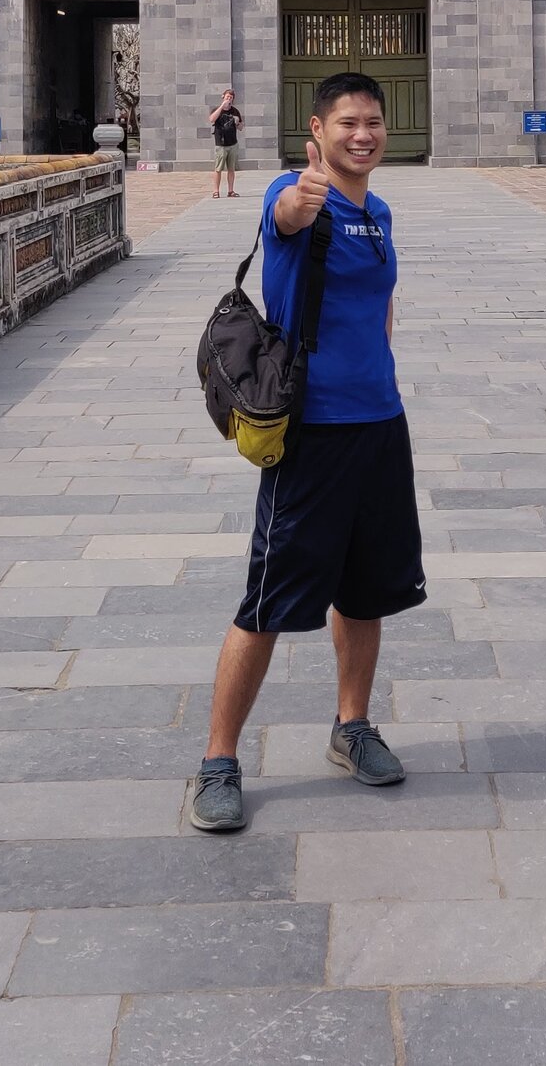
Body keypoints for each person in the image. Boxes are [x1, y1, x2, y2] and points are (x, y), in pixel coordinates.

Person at [191, 72, 421, 833]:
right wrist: (298, 197)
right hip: (313, 433)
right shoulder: (297, 199)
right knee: (265, 600)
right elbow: (285, 213)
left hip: (380, 425)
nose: (364, 133)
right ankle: (219, 760)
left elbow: (379, 308)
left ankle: (350, 726)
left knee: (366, 590)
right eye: (348, 122)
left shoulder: (380, 210)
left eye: (375, 121)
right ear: (316, 132)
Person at [206, 87, 243, 198]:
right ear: (223, 97)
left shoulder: (235, 111)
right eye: (227, 97)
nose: (229, 99)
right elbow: (212, 119)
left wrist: (237, 123)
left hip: (233, 143)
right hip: (221, 144)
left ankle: (230, 191)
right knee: (218, 169)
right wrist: (222, 106)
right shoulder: (217, 109)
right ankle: (216, 191)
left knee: (231, 169)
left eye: (231, 98)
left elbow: (241, 127)